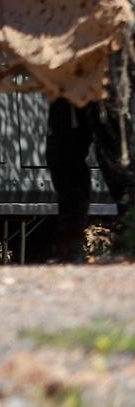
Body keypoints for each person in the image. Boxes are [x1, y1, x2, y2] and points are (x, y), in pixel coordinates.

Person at [44, 46, 133, 262]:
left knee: (118, 165)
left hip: (109, 64)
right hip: (70, 70)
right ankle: (68, 249)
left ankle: (130, 243)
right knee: (62, 158)